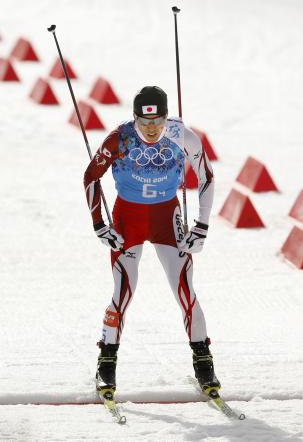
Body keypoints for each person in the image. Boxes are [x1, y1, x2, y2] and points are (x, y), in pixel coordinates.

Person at [83, 86, 221, 400]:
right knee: (123, 290)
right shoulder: (120, 138)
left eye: (157, 121)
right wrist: (99, 225)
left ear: (165, 116)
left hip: (166, 219)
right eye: (144, 123)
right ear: (134, 119)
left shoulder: (183, 135)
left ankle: (203, 361)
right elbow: (91, 176)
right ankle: (107, 362)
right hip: (127, 219)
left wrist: (201, 226)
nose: (151, 129)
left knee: (184, 289)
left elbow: (207, 177)